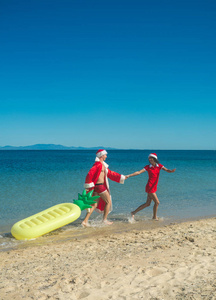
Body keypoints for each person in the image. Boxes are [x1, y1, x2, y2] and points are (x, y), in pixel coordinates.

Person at [82, 149, 126, 227]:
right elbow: (89, 174)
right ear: (101, 155)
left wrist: (121, 177)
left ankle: (85, 221)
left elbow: (110, 173)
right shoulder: (98, 165)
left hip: (96, 187)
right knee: (108, 202)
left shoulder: (102, 165)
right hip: (100, 186)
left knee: (94, 204)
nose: (106, 156)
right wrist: (88, 186)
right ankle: (104, 220)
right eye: (105, 155)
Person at [126, 153, 176, 220]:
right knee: (157, 202)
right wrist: (129, 175)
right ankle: (154, 217)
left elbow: (167, 170)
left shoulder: (159, 166)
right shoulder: (148, 167)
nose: (150, 159)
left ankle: (133, 212)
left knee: (147, 204)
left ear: (155, 159)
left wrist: (171, 171)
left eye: (151, 158)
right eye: (149, 158)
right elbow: (138, 172)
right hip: (150, 187)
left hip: (154, 187)